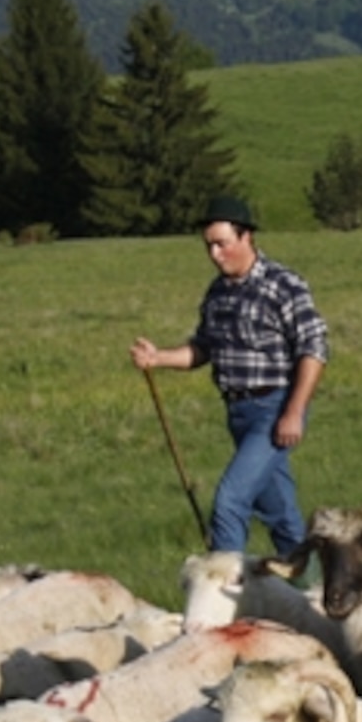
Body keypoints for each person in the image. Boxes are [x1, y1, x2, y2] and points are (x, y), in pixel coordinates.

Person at [127, 194, 329, 557]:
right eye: (209, 246)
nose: (215, 255)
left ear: (246, 237)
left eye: (222, 244)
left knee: (229, 501)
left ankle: (222, 598)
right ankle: (310, 595)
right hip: (238, 413)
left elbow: (314, 349)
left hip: (275, 408)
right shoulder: (217, 293)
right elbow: (203, 348)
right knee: (280, 514)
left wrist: (294, 411)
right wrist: (158, 358)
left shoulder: (284, 285)